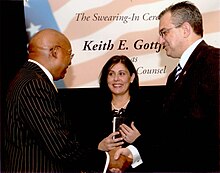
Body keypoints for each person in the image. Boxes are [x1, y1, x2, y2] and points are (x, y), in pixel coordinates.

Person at [3, 28, 109, 173]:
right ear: (55, 52)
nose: (70, 62)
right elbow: (59, 146)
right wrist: (106, 161)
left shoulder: (26, 78)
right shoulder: (34, 84)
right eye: (70, 55)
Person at [156, 1, 219, 171]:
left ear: (185, 29)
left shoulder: (214, 62)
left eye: (164, 32)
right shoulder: (173, 77)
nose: (160, 40)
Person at [97, 55, 158, 172]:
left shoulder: (149, 109)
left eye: (122, 74)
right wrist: (100, 147)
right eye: (111, 74)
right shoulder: (92, 110)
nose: (116, 79)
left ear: (132, 77)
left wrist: (138, 140)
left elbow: (158, 146)